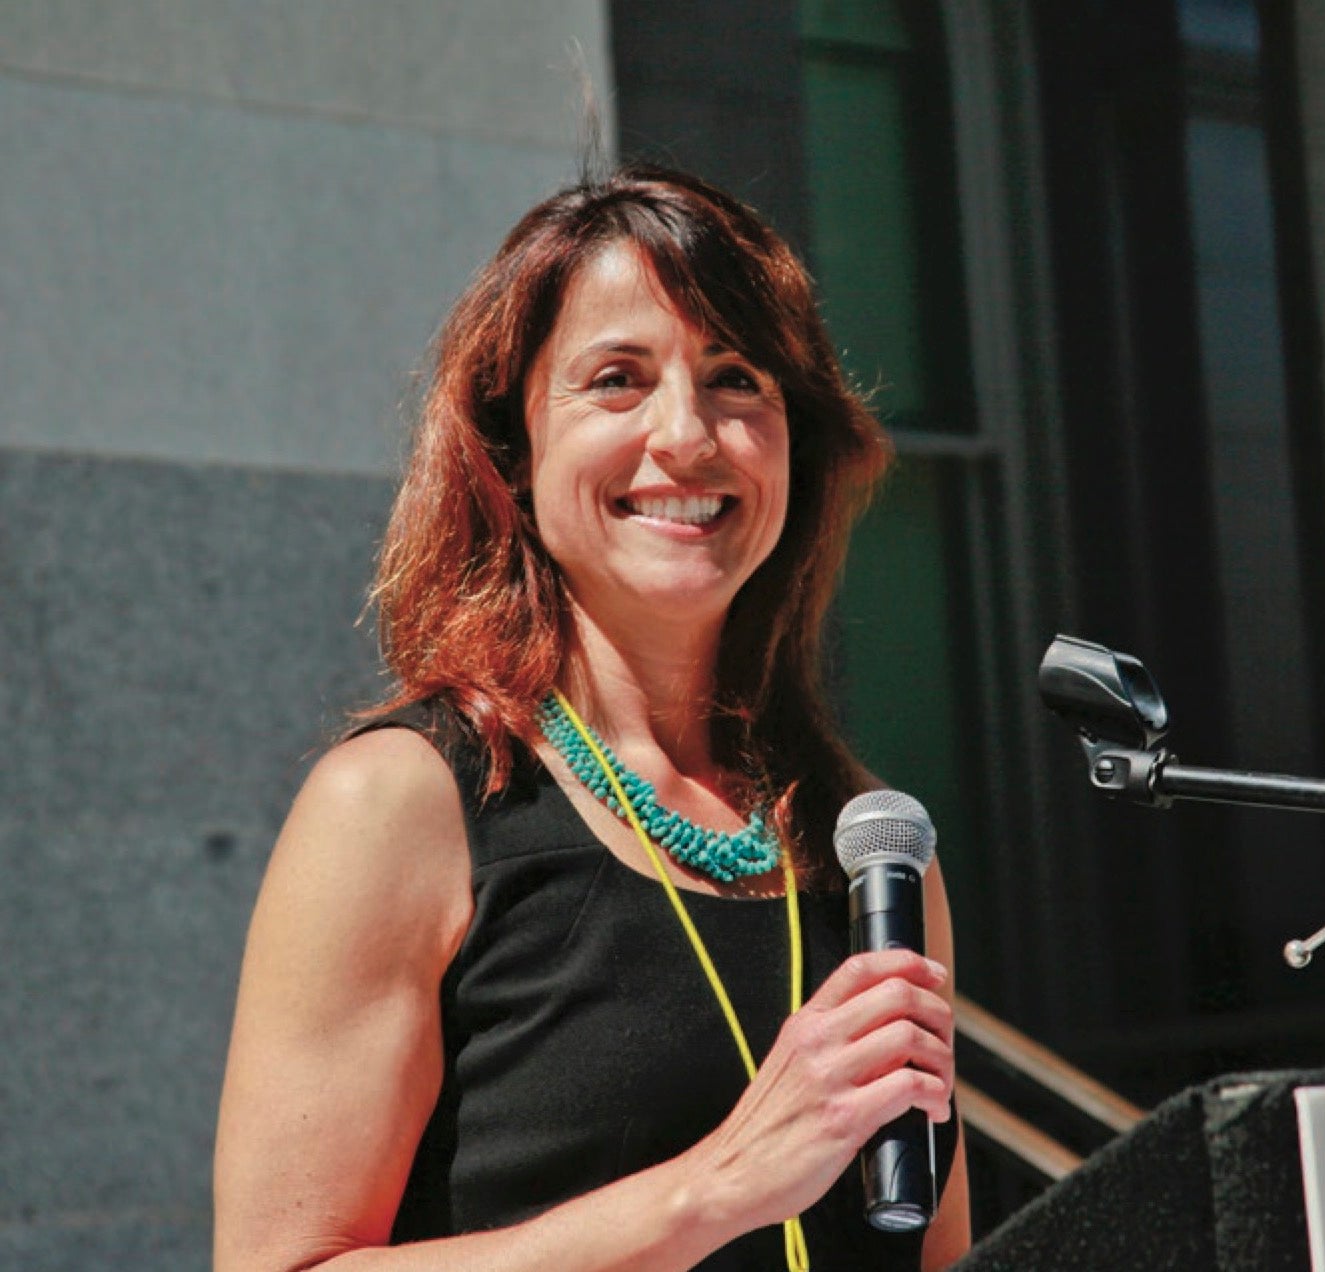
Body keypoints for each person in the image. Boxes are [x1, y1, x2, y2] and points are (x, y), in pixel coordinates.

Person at [213, 164, 971, 1272]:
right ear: (511, 452)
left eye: (736, 379)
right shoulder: (400, 804)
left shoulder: (870, 844)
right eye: (617, 380)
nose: (688, 436)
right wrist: (709, 1193)